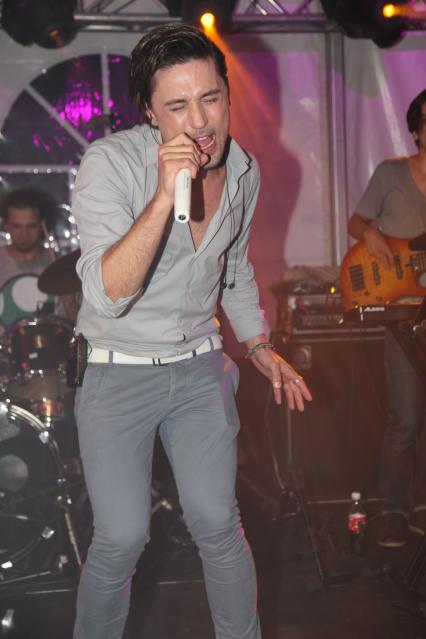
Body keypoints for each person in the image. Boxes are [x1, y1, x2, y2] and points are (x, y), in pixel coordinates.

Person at [72, 23, 312, 639]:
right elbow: (109, 292)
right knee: (122, 535)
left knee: (217, 521)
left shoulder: (245, 171)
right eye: (177, 105)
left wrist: (257, 344)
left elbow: (233, 268)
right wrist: (162, 198)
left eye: (211, 97)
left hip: (200, 367)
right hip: (117, 369)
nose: (200, 121)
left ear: (228, 94)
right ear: (151, 113)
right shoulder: (109, 164)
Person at [348, 88, 426, 548]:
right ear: (415, 130)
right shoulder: (391, 173)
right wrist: (371, 236)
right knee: (406, 418)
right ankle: (395, 511)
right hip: (401, 315)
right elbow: (356, 223)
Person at [0, 186, 77, 326]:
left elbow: (77, 327)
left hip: (50, 340)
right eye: (17, 226)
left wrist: (70, 305)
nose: (24, 234)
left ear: (42, 225)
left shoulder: (61, 268)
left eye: (31, 226)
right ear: (6, 225)